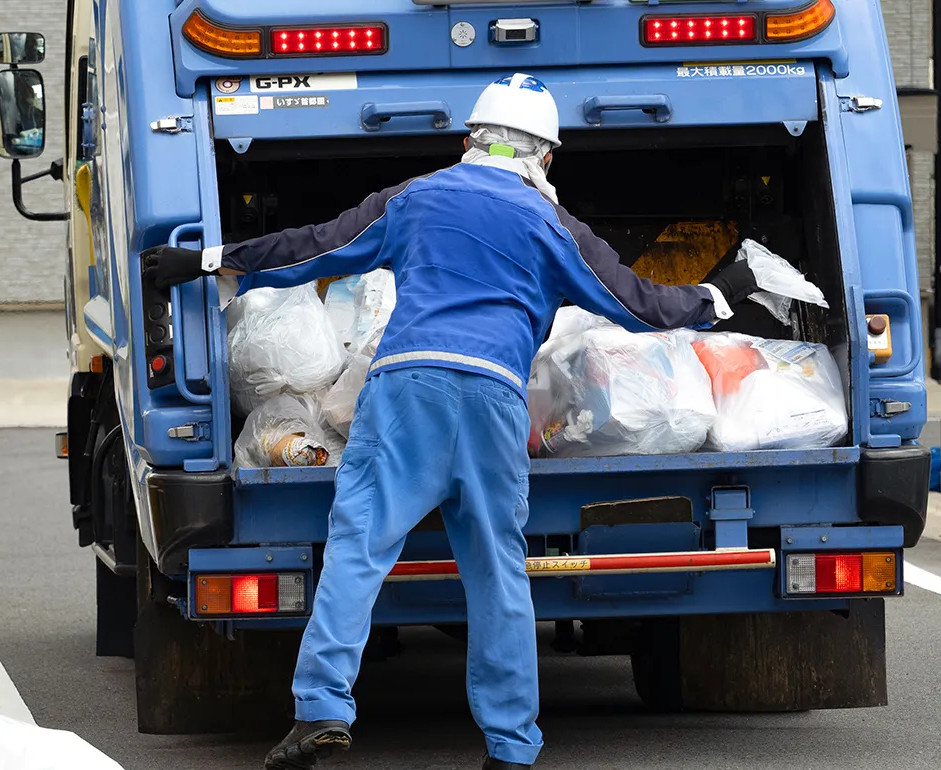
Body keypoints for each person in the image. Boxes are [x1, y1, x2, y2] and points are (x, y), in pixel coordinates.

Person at [138, 73, 762, 770]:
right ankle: (511, 746)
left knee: (359, 547)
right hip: (496, 399)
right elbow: (644, 307)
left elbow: (314, 248)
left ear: (469, 141)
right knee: (496, 572)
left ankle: (320, 709)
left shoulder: (416, 196)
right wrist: (722, 292)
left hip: (408, 390)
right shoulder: (553, 224)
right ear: (547, 158)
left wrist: (206, 260)